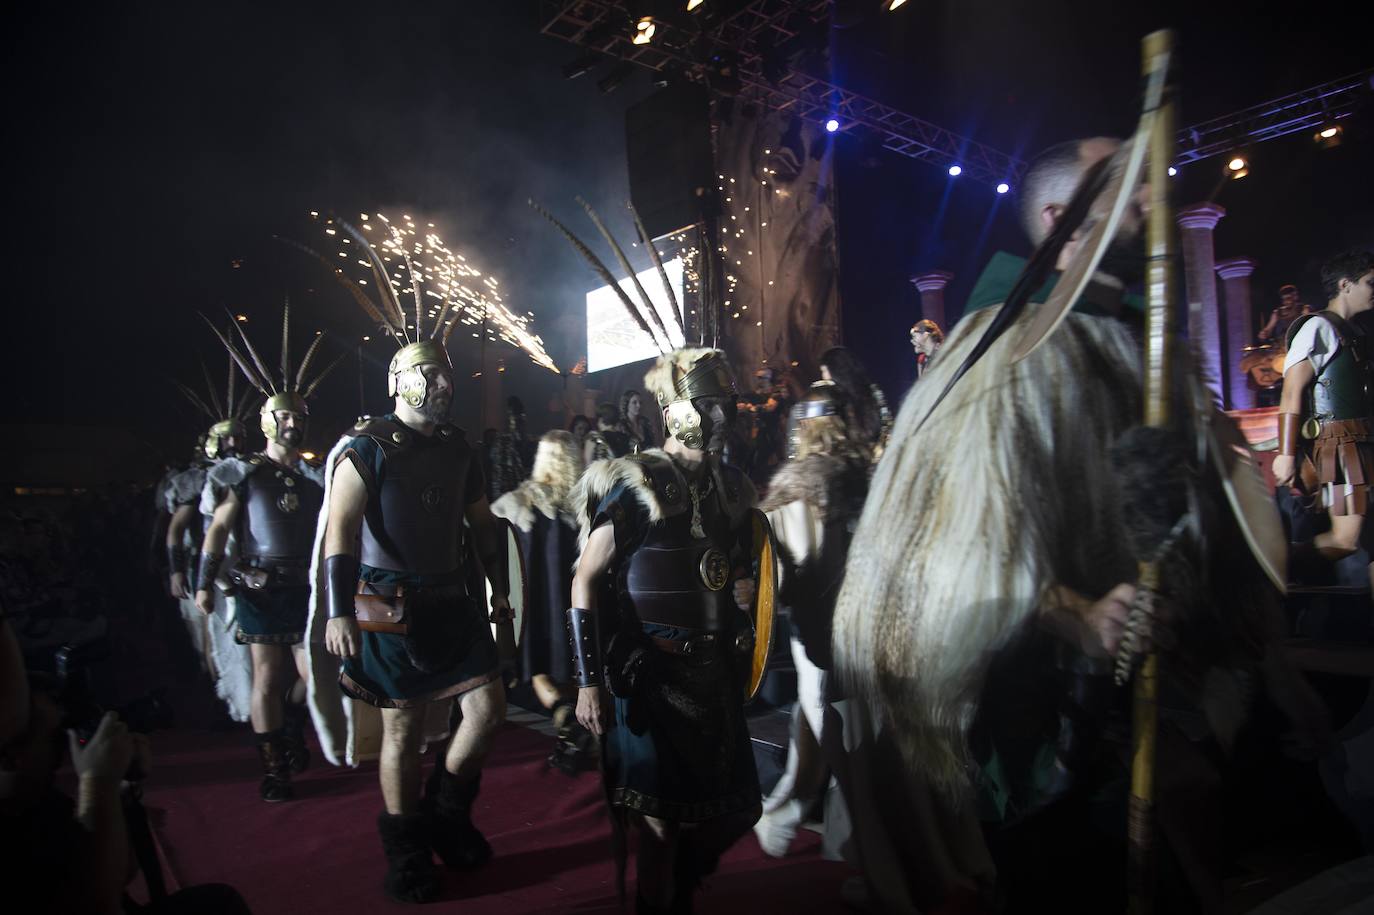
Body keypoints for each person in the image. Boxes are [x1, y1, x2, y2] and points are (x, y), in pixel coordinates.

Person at [830, 136, 1325, 913]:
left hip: (1156, 693)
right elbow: (950, 540)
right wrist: (1076, 617)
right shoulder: (1000, 352)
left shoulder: (1143, 348)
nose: (1151, 198)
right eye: (1127, 187)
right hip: (1041, 720)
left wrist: (1254, 648)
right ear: (1063, 218)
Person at [315, 329, 512, 904]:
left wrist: (501, 590)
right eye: (430, 374)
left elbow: (481, 526)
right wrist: (337, 610)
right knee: (402, 728)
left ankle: (447, 814)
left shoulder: (458, 448)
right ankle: (407, 851)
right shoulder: (367, 446)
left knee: (488, 710)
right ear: (398, 381)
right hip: (389, 605)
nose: (445, 383)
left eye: (447, 374)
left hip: (454, 598)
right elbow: (341, 530)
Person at [569, 347, 762, 913]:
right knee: (656, 828)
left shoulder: (730, 487)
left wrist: (747, 585)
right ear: (678, 407)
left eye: (724, 403)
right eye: (708, 404)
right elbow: (585, 580)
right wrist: (588, 682)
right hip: (649, 675)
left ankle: (681, 881)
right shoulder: (637, 483)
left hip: (711, 673)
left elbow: (738, 564)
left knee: (740, 806)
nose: (720, 416)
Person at [195, 308, 339, 802]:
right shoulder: (243, 474)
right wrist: (204, 582)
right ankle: (275, 767)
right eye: (284, 415)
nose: (293, 422)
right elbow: (218, 532)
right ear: (266, 421)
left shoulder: (314, 480)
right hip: (261, 585)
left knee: (314, 676)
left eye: (299, 415)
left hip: (307, 588)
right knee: (268, 676)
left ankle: (290, 726)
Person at [754, 381, 868, 860]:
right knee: (835, 728)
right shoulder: (869, 481)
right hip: (861, 633)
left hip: (818, 637)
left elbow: (772, 581)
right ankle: (808, 827)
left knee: (828, 724)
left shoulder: (790, 492)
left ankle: (799, 824)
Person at [1272, 250, 1374, 590]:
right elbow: (1292, 391)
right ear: (1346, 285)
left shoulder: (1354, 331)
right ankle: (1266, 569)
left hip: (1363, 442)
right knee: (1345, 540)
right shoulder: (1318, 327)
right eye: (1369, 283)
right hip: (1340, 448)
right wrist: (1286, 454)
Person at [490, 430, 588, 771]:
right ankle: (573, 733)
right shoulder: (584, 506)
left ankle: (567, 728)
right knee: (575, 673)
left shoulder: (518, 503)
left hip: (533, 609)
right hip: (573, 607)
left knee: (539, 673)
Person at [818, 346, 892, 468]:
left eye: (824, 371)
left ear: (836, 370)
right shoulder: (871, 392)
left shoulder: (870, 394)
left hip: (872, 467)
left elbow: (884, 427)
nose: (823, 377)